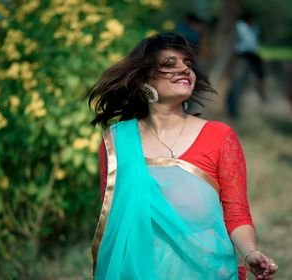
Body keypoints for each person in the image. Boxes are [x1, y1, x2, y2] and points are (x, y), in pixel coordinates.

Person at [87, 32, 277, 279]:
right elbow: (115, 221)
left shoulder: (219, 137)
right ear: (145, 77)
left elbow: (236, 213)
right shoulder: (118, 142)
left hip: (207, 271)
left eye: (188, 64)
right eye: (169, 64)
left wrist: (251, 252)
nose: (184, 69)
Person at [226, 13, 266, 118]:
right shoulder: (239, 26)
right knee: (237, 81)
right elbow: (235, 41)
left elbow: (254, 42)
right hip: (242, 53)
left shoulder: (253, 28)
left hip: (252, 53)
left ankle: (261, 84)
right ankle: (232, 109)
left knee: (260, 71)